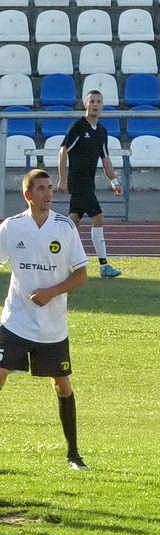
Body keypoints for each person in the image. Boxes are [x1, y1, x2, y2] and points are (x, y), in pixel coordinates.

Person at [0, 169, 89, 469]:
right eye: (41, 189)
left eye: (50, 188)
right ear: (28, 195)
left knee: (62, 385)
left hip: (52, 327)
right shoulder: (12, 227)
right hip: (15, 320)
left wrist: (51, 292)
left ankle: (74, 455)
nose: (49, 194)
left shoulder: (64, 227)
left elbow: (81, 275)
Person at [56, 89, 124, 279]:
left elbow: (105, 158)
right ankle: (104, 265)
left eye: (98, 101)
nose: (95, 104)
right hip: (78, 181)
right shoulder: (78, 126)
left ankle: (54, 257)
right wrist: (62, 178)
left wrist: (114, 181)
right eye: (92, 101)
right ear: (86, 104)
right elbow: (63, 151)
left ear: (102, 106)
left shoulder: (101, 131)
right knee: (98, 217)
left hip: (89, 181)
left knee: (73, 221)